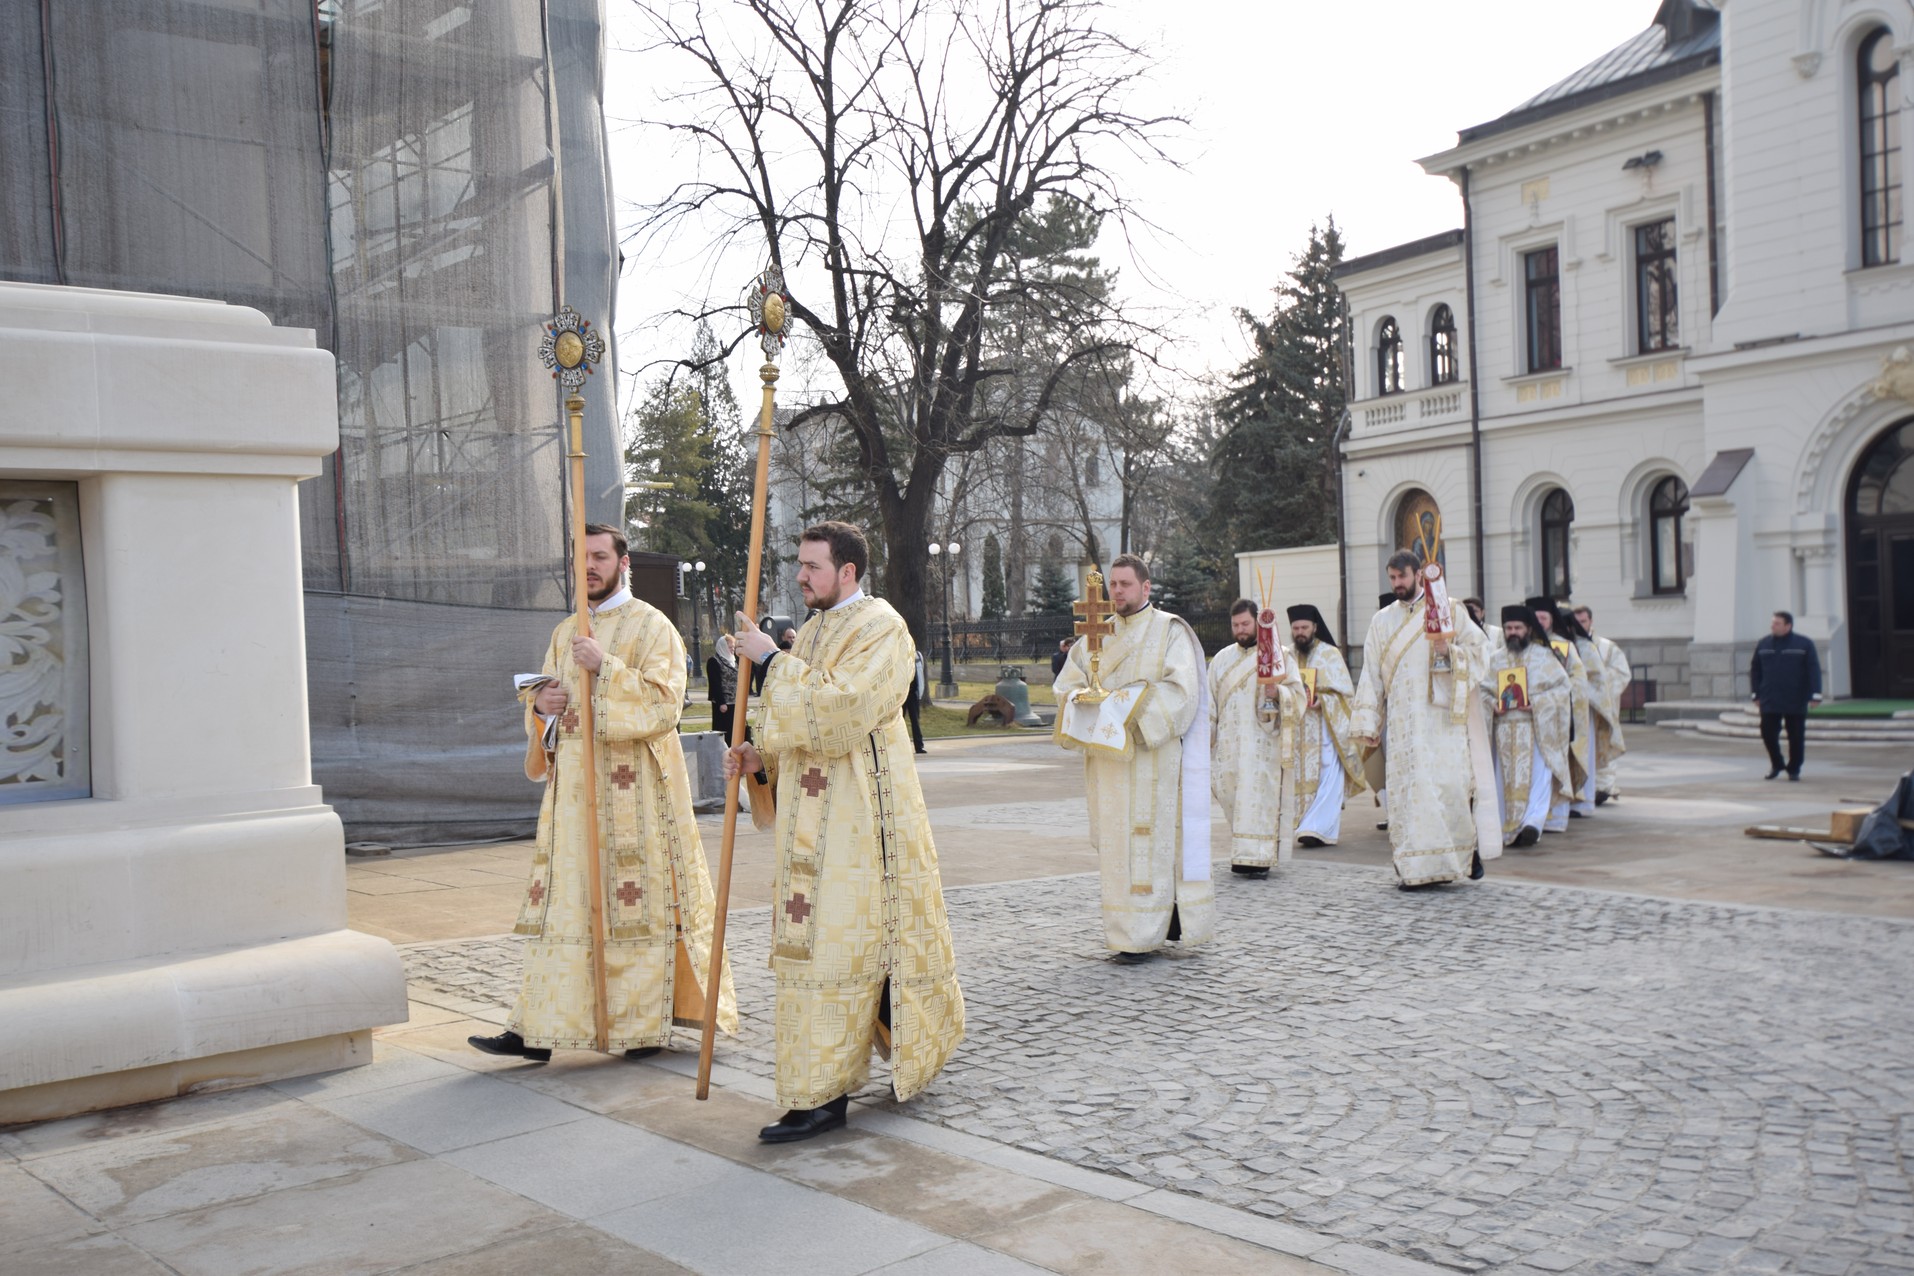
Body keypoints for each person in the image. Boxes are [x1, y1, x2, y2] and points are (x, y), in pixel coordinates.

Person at [724, 521, 964, 1142]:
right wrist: (762, 759)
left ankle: (825, 1095)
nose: (801, 576)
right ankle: (830, 1073)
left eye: (813, 566)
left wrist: (772, 662)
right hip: (808, 825)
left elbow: (842, 712)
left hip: (863, 826)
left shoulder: (883, 628)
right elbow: (793, 722)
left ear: (849, 571)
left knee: (840, 950)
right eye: (800, 565)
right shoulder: (812, 630)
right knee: (811, 952)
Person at [471, 524, 736, 1063]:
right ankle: (538, 1027)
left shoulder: (653, 627)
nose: (588, 567)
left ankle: (638, 1026)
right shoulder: (566, 629)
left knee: (632, 910)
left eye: (598, 557)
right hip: (572, 800)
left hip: (634, 799)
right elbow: (552, 710)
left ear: (623, 561)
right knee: (565, 909)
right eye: (580, 558)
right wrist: (542, 709)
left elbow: (666, 706)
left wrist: (606, 668)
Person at [1055, 553, 1214, 958]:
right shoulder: (1096, 633)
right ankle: (1123, 934)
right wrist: (1084, 702)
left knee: (1150, 846)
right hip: (1108, 765)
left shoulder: (1170, 631)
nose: (1117, 591)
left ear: (1146, 587)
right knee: (1116, 852)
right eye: (1113, 584)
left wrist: (1126, 711)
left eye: (1126, 584)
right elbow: (1066, 689)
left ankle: (1151, 932)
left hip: (1151, 760)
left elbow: (1182, 692)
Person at [1353, 551, 1497, 888]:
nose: (1397, 584)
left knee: (1448, 789)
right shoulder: (1382, 620)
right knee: (1409, 793)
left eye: (1402, 577)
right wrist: (1369, 721)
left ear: (1419, 574)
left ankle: (1462, 856)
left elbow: (1481, 654)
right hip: (1403, 726)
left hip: (1442, 719)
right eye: (1392, 578)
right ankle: (1415, 869)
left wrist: (1451, 653)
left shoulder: (1451, 609)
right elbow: (1371, 672)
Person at [1207, 599, 1303, 878]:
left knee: (1257, 798)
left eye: (1245, 624)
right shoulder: (1222, 659)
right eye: (1235, 625)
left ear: (1257, 622)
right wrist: (1206, 738)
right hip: (1229, 746)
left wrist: (1279, 694)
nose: (1240, 629)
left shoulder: (1279, 654)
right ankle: (1243, 850)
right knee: (1230, 795)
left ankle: (1256, 857)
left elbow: (1298, 697)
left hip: (1262, 743)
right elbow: (1210, 704)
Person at [1483, 606, 1572, 848]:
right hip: (1503, 731)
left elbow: (1562, 689)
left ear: (1529, 629)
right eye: (1508, 628)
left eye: (1517, 628)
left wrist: (1537, 703)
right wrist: (1492, 704)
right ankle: (1508, 828)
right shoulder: (1494, 659)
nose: (1512, 632)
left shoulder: (1544, 657)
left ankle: (1532, 824)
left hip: (1536, 729)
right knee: (1503, 782)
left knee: (1538, 778)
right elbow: (1481, 690)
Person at [1288, 604, 1364, 848]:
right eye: (1296, 628)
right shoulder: (1287, 655)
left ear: (1315, 628)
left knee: (1327, 774)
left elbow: (1346, 695)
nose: (1300, 632)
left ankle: (1318, 828)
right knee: (1299, 777)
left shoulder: (1329, 654)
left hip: (1324, 727)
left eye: (1304, 627)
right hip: (1298, 729)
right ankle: (1304, 824)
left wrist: (1325, 701)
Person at [1526, 596, 1595, 829]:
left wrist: (1559, 697)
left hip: (1556, 715)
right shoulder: (1525, 646)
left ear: (1551, 620)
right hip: (1529, 716)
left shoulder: (1563, 647)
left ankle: (1555, 817)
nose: (1539, 622)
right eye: (1535, 618)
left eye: (1543, 618)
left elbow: (1578, 678)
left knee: (1555, 763)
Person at [1749, 610, 1822, 780]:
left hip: (1795, 697)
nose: (1772, 626)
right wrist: (1756, 693)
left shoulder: (1804, 644)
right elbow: (1755, 670)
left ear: (1788, 626)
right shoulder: (1763, 644)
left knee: (1796, 736)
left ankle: (1794, 768)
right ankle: (1777, 763)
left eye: (1777, 623)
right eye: (1772, 622)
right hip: (1769, 697)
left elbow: (1813, 670)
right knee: (1767, 733)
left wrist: (1815, 694)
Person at [1571, 603, 1630, 804]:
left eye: (1583, 621)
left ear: (1591, 621)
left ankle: (1604, 786)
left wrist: (1599, 687)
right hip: (1579, 707)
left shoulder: (1606, 647)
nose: (1580, 625)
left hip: (1601, 707)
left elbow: (1622, 672)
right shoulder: (1570, 645)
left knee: (1602, 743)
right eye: (1576, 622)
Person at [707, 633, 739, 741]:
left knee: (735, 730)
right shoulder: (714, 661)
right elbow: (715, 684)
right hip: (723, 704)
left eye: (733, 647)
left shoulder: (734, 661)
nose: (732, 650)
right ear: (723, 647)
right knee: (724, 730)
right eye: (730, 647)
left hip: (735, 702)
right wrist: (721, 702)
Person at [902, 647, 928, 754]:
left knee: (915, 721)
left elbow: (920, 675)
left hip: (912, 694)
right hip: (902, 694)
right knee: (900, 721)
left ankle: (919, 746)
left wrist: (919, 693)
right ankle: (901, 746)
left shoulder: (916, 656)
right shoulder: (899, 655)